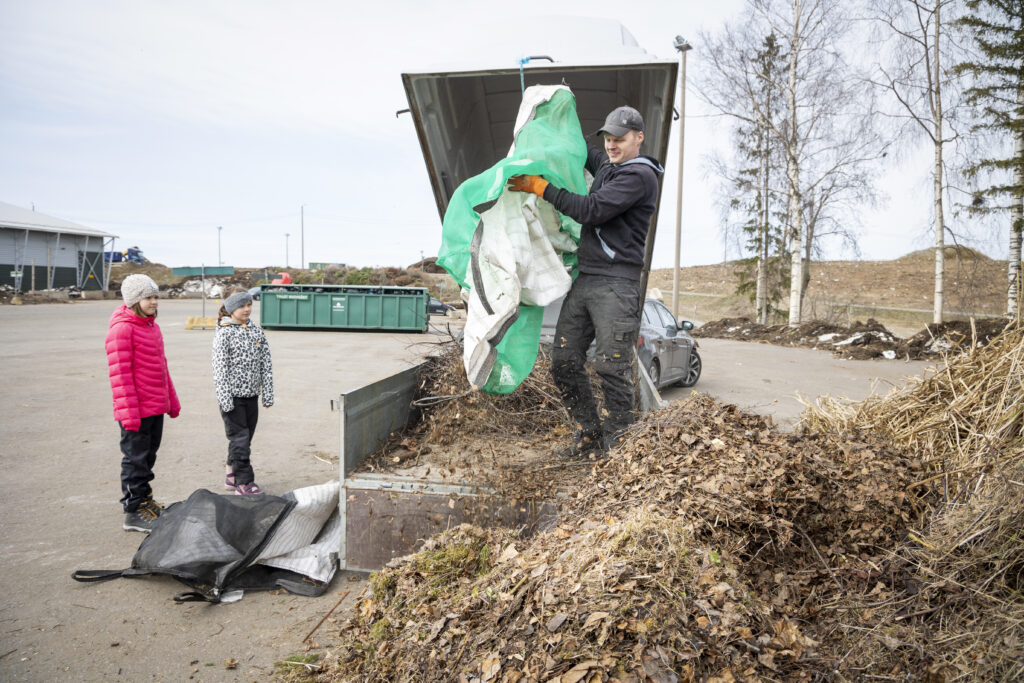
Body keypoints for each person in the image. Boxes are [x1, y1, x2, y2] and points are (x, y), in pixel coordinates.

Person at [508, 105, 664, 457]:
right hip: (587, 280)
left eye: (619, 139)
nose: (611, 145)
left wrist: (540, 187)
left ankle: (619, 449)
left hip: (617, 286)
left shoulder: (639, 177)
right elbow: (585, 152)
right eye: (608, 138)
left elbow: (591, 211)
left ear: (639, 137)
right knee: (563, 360)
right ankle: (588, 436)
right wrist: (552, 124)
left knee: (611, 367)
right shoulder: (612, 167)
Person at [105, 274, 181, 532]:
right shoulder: (122, 329)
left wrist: (171, 400)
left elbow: (162, 369)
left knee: (147, 457)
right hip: (135, 410)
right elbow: (120, 377)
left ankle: (145, 501)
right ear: (134, 300)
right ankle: (133, 511)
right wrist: (129, 414)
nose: (154, 302)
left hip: (154, 406)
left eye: (155, 297)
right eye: (148, 298)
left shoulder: (151, 327)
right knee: (135, 459)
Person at [212, 288, 274, 495]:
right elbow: (219, 369)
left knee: (245, 439)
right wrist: (225, 399)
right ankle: (244, 483)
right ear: (231, 308)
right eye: (241, 305)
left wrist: (268, 394)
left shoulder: (256, 331)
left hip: (251, 396)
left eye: (249, 304)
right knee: (240, 440)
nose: (247, 309)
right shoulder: (224, 333)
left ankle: (231, 474)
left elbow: (266, 363)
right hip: (232, 398)